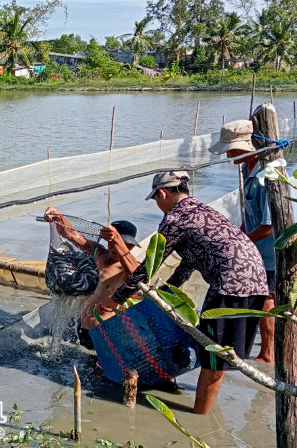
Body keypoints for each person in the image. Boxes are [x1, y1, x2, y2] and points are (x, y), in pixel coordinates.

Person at [99, 170, 268, 415]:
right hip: (256, 281)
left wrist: (116, 299)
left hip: (231, 285)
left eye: (156, 199)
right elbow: (186, 265)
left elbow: (150, 265)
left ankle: (198, 419)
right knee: (222, 355)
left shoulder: (176, 217)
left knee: (214, 355)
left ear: (162, 193)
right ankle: (205, 412)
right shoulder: (201, 211)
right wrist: (163, 295)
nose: (158, 205)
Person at [211, 119, 277, 364]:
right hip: (257, 248)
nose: (229, 155)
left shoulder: (266, 177)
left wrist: (244, 242)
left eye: (232, 149)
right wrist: (238, 236)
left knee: (267, 300)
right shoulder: (246, 168)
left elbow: (270, 226)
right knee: (264, 298)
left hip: (273, 252)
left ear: (250, 147)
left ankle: (267, 353)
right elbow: (250, 215)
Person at [42, 206, 141, 347]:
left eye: (124, 244)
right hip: (83, 327)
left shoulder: (129, 267)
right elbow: (71, 235)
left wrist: (118, 240)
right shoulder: (99, 253)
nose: (114, 248)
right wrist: (59, 217)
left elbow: (138, 275)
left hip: (104, 328)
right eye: (111, 242)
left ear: (130, 247)